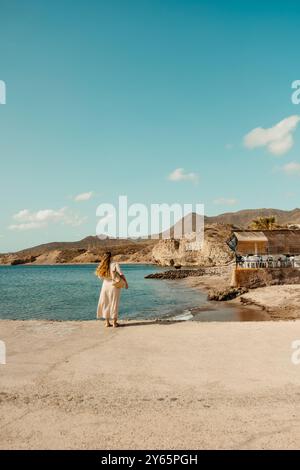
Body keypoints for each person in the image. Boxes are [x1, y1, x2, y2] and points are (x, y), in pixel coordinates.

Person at [95, 252, 128, 327]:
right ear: (111, 257)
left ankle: (107, 323)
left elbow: (100, 277)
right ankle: (114, 323)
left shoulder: (102, 265)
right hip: (114, 285)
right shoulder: (114, 263)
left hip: (105, 285)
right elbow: (121, 273)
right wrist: (126, 282)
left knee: (106, 303)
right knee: (114, 303)